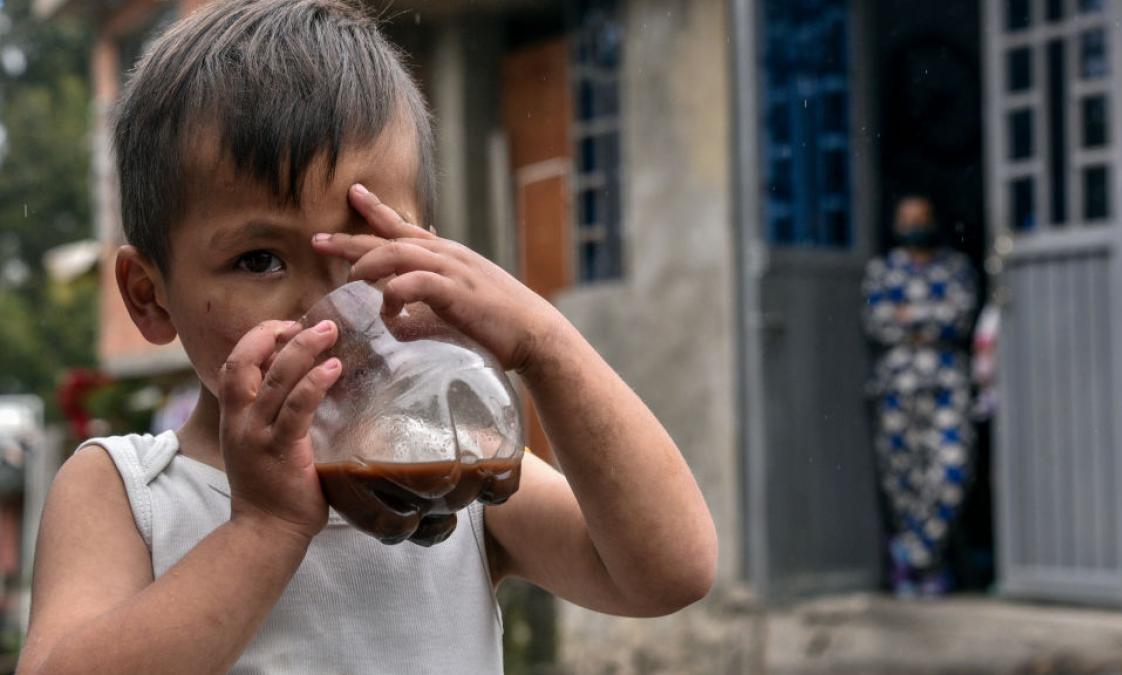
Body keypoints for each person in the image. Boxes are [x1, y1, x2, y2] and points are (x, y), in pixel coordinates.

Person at [17, 2, 717, 672]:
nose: (334, 306)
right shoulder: (128, 490)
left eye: (367, 251)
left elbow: (668, 572)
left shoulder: (450, 464)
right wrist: (263, 529)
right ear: (150, 294)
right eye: (260, 259)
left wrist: (542, 343)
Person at [862, 195, 978, 597]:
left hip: (946, 385)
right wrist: (929, 317)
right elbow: (878, 322)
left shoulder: (954, 268)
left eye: (921, 219)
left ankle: (911, 556)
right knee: (903, 482)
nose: (914, 225)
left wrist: (910, 317)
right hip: (897, 388)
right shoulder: (884, 271)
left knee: (951, 473)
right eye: (906, 218)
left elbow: (960, 316)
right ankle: (924, 572)